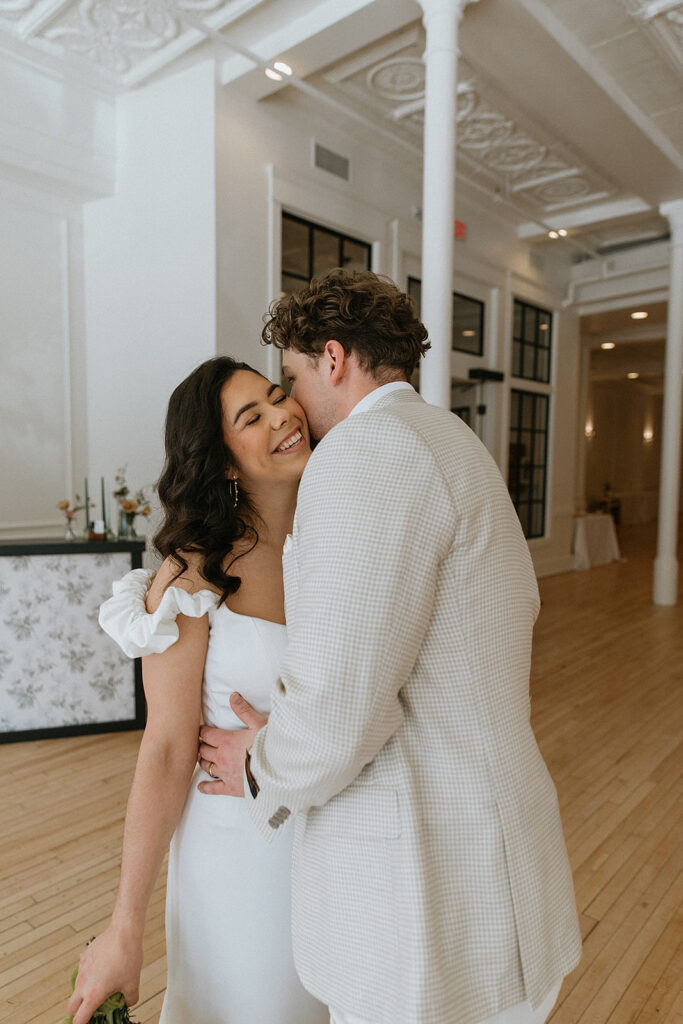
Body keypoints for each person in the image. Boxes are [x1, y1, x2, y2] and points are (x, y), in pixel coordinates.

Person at [197, 269, 582, 1024]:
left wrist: (260, 764)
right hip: (499, 857)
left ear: (332, 359)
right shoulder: (450, 437)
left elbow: (339, 704)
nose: (292, 404)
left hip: (427, 897)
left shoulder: (363, 456)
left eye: (292, 378)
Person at [65, 357, 328, 1024]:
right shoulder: (192, 576)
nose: (282, 418)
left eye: (277, 398)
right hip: (240, 857)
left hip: (338, 834)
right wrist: (126, 925)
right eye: (252, 417)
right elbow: (163, 751)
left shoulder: (340, 540)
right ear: (225, 463)